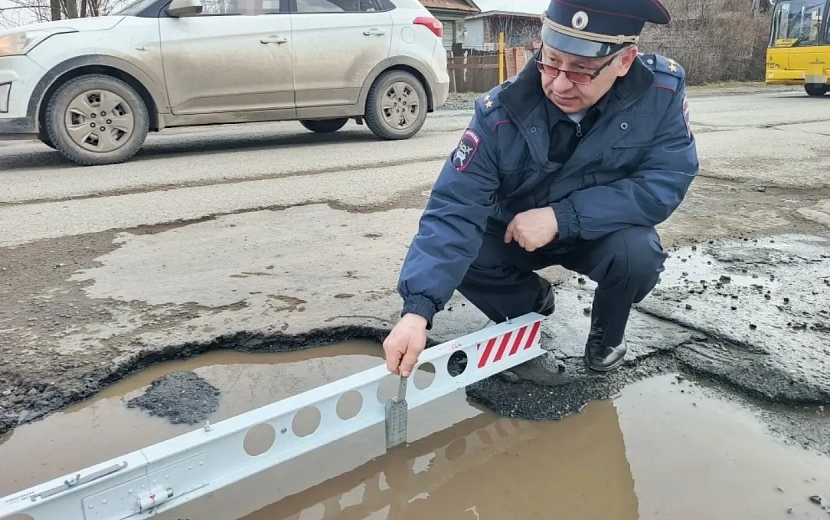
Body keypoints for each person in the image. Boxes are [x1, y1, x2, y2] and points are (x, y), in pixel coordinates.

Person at [383, 0, 699, 378]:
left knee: (638, 255)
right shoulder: (501, 112)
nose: (560, 83)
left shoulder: (660, 92)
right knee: (467, 255)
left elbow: (664, 181)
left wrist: (563, 218)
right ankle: (529, 306)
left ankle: (607, 335)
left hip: (599, 231)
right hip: (515, 233)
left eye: (582, 70)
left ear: (625, 61)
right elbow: (455, 208)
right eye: (551, 61)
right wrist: (417, 311)